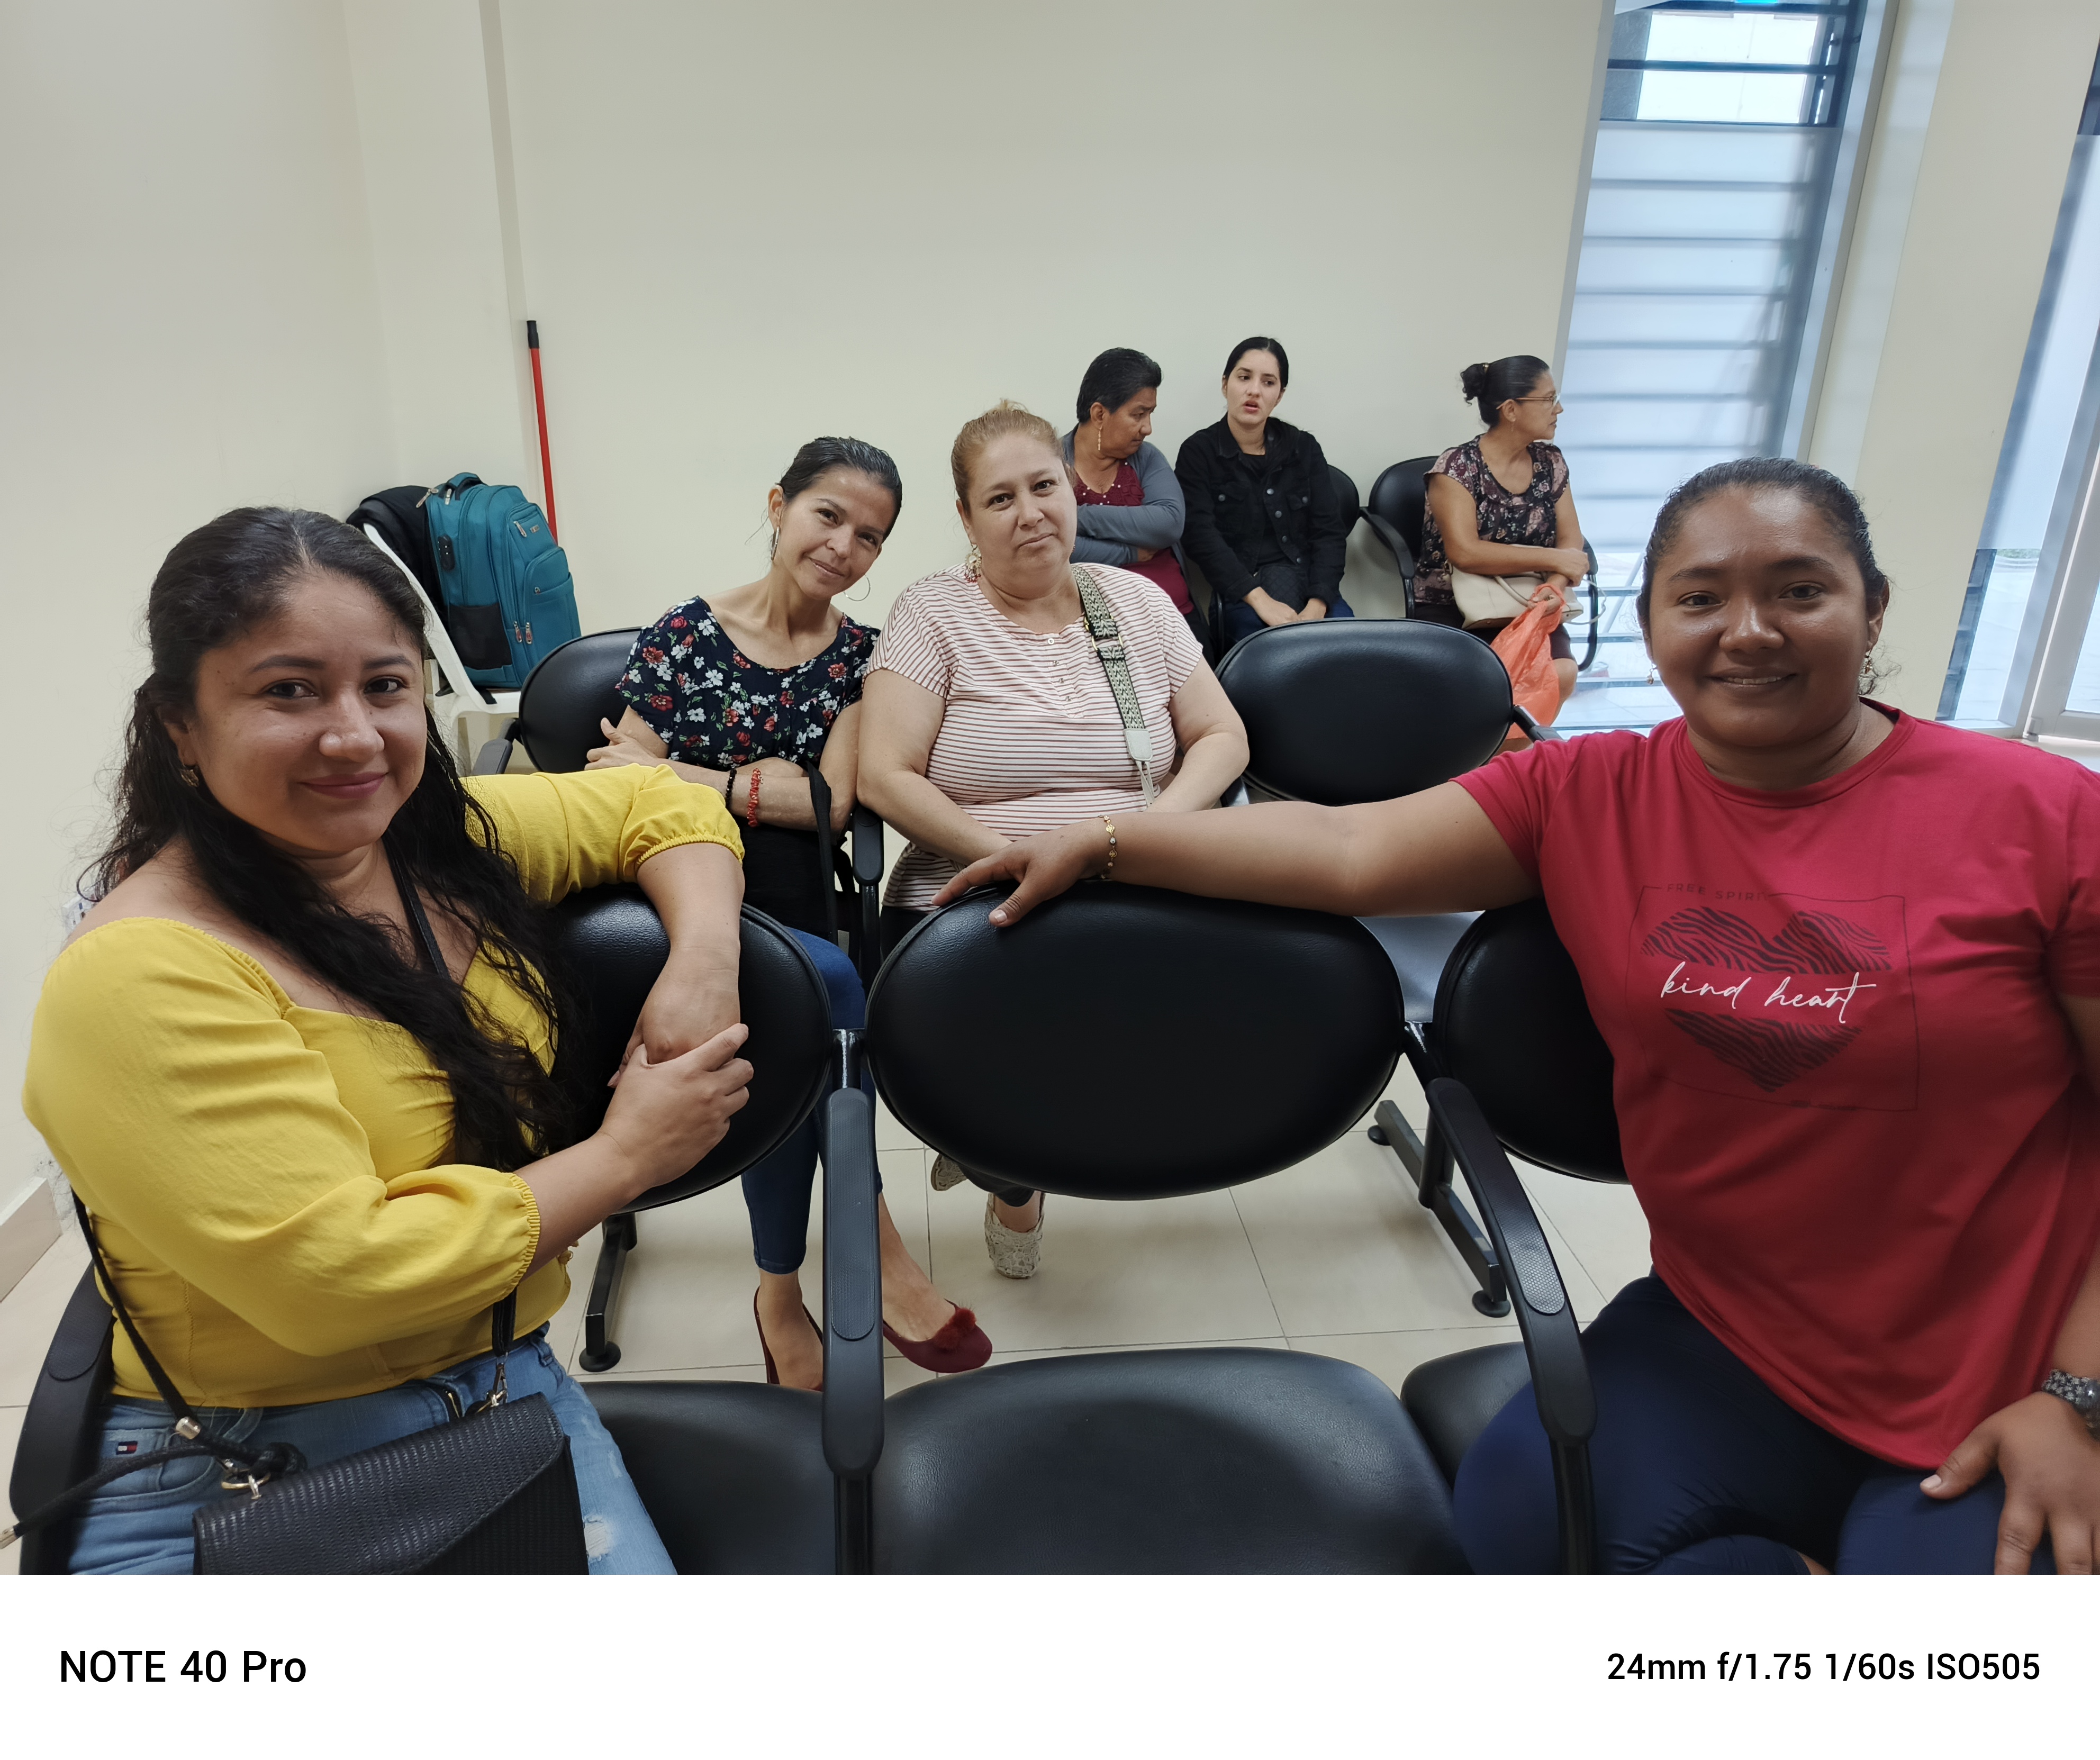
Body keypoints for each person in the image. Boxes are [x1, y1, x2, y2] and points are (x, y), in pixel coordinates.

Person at [934, 458, 2100, 1575]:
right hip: (1728, 1334)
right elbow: (1347, 847)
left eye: (1799, 590)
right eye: (1700, 598)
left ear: (1872, 605)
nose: (1747, 631)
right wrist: (1108, 840)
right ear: (1649, 623)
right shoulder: (1589, 793)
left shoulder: (2047, 817)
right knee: (1518, 1528)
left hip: (2016, 1367)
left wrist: (2076, 1398)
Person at [23, 507, 759, 1573]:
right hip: (248, 1460)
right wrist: (626, 1157)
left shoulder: (433, 851)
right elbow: (339, 1281)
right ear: (180, 722)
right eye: (289, 690)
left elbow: (656, 801)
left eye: (384, 684)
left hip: (497, 1389)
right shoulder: (139, 973)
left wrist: (702, 961)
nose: (354, 735)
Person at [587, 438, 990, 1388]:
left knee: (800, 1016)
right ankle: (870, 1244)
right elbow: (614, 786)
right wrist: (755, 787)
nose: (845, 547)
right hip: (680, 898)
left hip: (797, 896)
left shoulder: (863, 656)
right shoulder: (683, 634)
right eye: (828, 516)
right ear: (778, 506)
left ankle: (780, 1289)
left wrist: (694, 776)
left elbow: (832, 805)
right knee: (828, 990)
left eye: (870, 536)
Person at [858, 401, 1248, 1279]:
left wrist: (1147, 836)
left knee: (1127, 1075)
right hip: (974, 903)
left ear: (1072, 491)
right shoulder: (932, 612)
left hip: (1135, 884)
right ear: (967, 519)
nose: (1030, 512)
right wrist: (1005, 855)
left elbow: (1223, 736)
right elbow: (883, 775)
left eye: (1044, 487)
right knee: (993, 1107)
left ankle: (1011, 1146)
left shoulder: (1136, 602)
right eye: (1000, 499)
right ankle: (1006, 1174)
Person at [1415, 355, 1587, 715]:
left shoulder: (1551, 461)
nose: (1559, 409)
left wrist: (1555, 587)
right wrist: (1554, 560)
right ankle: (1482, 751)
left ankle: (1516, 752)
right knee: (1482, 684)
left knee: (1561, 673)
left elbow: (1571, 541)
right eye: (1548, 399)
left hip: (1530, 598)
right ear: (1511, 410)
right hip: (1455, 604)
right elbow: (1466, 553)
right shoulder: (1456, 468)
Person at [1174, 337, 1354, 651]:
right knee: (1273, 658)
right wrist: (1260, 600)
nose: (1254, 391)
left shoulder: (1304, 448)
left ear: (1279, 395)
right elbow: (1200, 537)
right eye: (1244, 377)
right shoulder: (1199, 452)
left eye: (1268, 382)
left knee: (1352, 650)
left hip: (1310, 588)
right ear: (1225, 384)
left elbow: (1329, 533)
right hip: (1244, 594)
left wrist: (1317, 604)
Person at [1063, 347, 1203, 647]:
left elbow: (1168, 524)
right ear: (1099, 414)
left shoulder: (1147, 458)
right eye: (1139, 415)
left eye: (1150, 414)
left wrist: (1078, 516)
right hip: (1094, 636)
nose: (1148, 428)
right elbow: (1057, 547)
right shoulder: (1052, 465)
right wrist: (1129, 554)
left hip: (1175, 621)